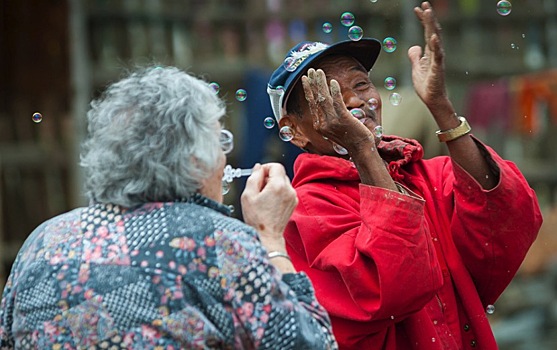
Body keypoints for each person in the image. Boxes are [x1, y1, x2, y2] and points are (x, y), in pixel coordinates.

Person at [266, 2, 542, 349]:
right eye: (329, 95)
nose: (354, 100)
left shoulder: (428, 174)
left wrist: (441, 106)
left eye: (361, 83)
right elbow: (392, 287)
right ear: (296, 131)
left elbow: (510, 222)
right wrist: (362, 149)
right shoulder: (306, 211)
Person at [0, 66, 338, 349]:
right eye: (220, 141)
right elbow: (311, 344)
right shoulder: (220, 242)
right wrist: (271, 238)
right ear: (194, 159)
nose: (225, 159)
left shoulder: (43, 241)